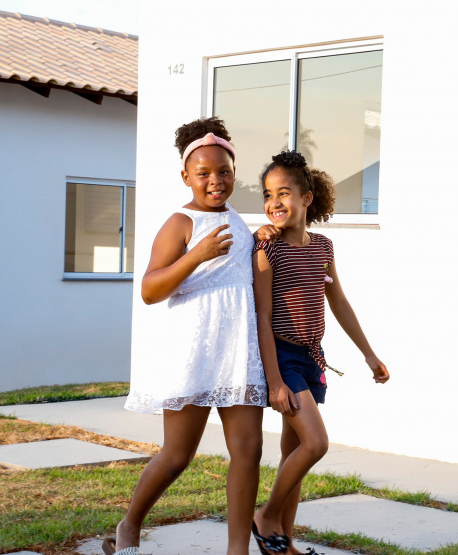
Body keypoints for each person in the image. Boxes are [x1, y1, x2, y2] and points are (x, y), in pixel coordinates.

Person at [106, 117, 282, 555]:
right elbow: (149, 289)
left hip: (238, 351)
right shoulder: (180, 223)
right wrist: (197, 254)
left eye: (223, 171)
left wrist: (261, 237)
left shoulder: (240, 222)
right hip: (195, 349)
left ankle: (237, 550)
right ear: (186, 177)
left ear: (234, 173)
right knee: (177, 455)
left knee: (249, 450)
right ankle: (129, 525)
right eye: (203, 173)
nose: (215, 180)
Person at [251, 150, 390, 555]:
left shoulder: (323, 247)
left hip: (313, 358)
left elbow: (339, 303)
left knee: (293, 452)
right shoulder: (266, 250)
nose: (274, 202)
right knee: (316, 444)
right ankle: (265, 517)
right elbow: (262, 316)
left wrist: (369, 354)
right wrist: (275, 379)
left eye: (284, 193)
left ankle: (284, 545)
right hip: (284, 358)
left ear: (307, 198)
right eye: (267, 195)